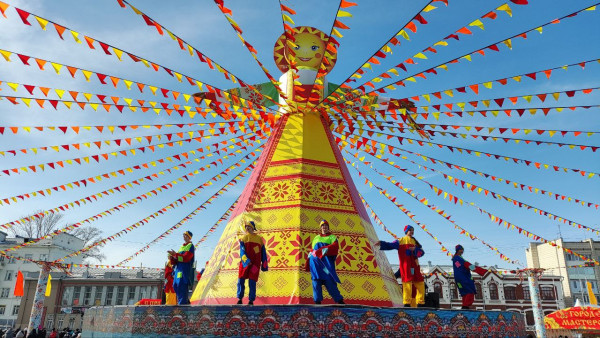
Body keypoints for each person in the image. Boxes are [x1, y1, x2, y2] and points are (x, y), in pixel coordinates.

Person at [376, 225, 425, 307]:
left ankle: (420, 302)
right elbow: (391, 245)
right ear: (406, 231)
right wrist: (381, 243)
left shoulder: (416, 242)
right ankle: (407, 303)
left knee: (420, 283)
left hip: (415, 266)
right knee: (407, 283)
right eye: (410, 230)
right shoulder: (401, 241)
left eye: (413, 230)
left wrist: (415, 250)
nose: (412, 232)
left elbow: (422, 253)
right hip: (406, 266)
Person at [305, 220, 344, 304]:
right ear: (320, 228)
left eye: (326, 226)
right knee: (316, 281)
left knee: (329, 279)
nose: (324, 227)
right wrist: (310, 257)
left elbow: (335, 247)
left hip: (325, 264)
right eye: (323, 226)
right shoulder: (316, 238)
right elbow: (313, 249)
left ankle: (339, 300)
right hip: (315, 264)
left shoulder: (332, 237)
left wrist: (323, 250)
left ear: (328, 228)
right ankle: (317, 302)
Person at [237, 221, 268, 305]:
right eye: (246, 227)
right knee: (241, 280)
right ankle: (240, 298)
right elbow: (242, 251)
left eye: (249, 227)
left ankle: (251, 300)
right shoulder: (244, 238)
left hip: (255, 265)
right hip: (245, 264)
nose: (247, 228)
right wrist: (246, 261)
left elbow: (263, 253)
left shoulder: (259, 239)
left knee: (252, 281)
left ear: (253, 228)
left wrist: (264, 265)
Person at [452, 244, 487, 309]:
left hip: (458, 279)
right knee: (470, 291)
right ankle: (465, 306)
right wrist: (482, 271)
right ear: (458, 250)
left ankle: (464, 305)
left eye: (462, 250)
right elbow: (467, 266)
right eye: (461, 250)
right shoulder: (459, 259)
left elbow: (460, 267)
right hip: (464, 278)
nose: (462, 251)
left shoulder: (455, 258)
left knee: (464, 292)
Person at [167, 230, 195, 305]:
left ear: (189, 237)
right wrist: (172, 257)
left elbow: (186, 258)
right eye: (183, 235)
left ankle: (183, 304)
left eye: (185, 235)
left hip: (184, 269)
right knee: (175, 285)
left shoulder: (190, 246)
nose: (184, 236)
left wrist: (175, 255)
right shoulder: (181, 247)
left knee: (181, 285)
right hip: (178, 269)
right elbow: (177, 260)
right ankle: (183, 302)